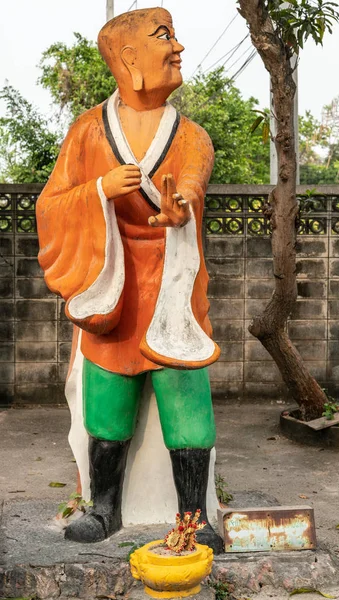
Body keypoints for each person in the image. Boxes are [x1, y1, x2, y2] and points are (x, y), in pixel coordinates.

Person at [36, 7, 222, 552]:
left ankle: (195, 515)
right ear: (128, 59)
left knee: (186, 396)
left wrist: (181, 205)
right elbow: (51, 205)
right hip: (111, 282)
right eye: (164, 37)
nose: (178, 47)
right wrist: (99, 190)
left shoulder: (190, 134)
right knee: (107, 401)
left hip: (172, 282)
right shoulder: (87, 132)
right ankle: (105, 507)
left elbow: (191, 180)